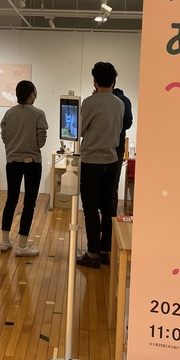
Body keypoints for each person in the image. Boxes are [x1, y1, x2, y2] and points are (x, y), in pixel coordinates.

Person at [77, 62, 124, 268]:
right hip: (111, 161)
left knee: (90, 209)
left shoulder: (90, 102)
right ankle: (106, 251)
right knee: (107, 208)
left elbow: (79, 130)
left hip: (91, 161)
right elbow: (119, 130)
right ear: (114, 81)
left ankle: (93, 253)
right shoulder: (120, 103)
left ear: (94, 81)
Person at [0, 80, 48, 257]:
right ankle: (22, 245)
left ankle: (5, 241)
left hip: (12, 162)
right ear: (32, 94)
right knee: (29, 203)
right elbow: (41, 142)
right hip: (32, 164)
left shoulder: (9, 113)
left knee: (11, 199)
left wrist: (15, 146)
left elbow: (4, 136)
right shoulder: (38, 114)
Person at [111, 86, 134, 205]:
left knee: (105, 183)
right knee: (113, 184)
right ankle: (110, 213)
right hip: (118, 147)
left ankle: (106, 211)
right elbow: (128, 122)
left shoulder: (119, 100)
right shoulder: (125, 100)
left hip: (107, 146)